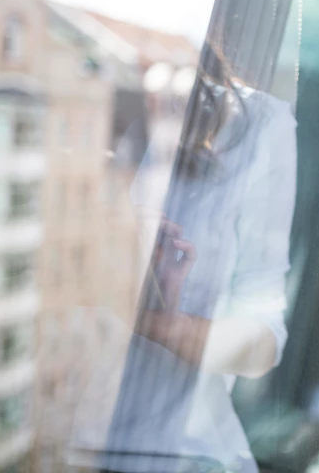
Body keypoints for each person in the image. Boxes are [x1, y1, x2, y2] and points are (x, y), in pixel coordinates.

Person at [68, 50, 297, 473]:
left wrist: (166, 325)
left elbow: (263, 340)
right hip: (50, 442)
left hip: (181, 454)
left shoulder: (252, 125)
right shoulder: (63, 87)